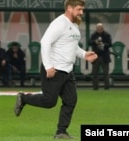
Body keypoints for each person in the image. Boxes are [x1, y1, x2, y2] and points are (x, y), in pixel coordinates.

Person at [14, 0, 98, 139]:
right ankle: (23, 98)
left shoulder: (74, 25)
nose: (81, 12)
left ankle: (61, 131)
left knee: (71, 101)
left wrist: (84, 54)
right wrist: (48, 66)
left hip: (68, 71)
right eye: (79, 9)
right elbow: (45, 42)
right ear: (69, 8)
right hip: (55, 69)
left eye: (82, 9)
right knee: (49, 102)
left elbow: (71, 46)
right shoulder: (59, 24)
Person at [89, 23, 112, 90]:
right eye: (98, 29)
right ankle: (95, 88)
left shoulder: (107, 35)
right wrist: (95, 42)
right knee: (95, 73)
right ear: (96, 29)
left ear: (103, 28)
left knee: (106, 73)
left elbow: (110, 44)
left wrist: (103, 44)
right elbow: (89, 42)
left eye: (100, 29)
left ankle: (107, 88)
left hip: (104, 56)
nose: (99, 30)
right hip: (95, 56)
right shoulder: (93, 35)